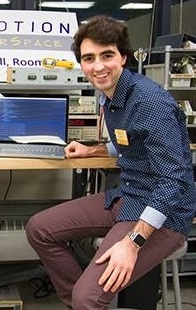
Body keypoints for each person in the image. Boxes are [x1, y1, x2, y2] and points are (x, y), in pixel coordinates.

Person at [26, 15, 196, 309]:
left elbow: (174, 181)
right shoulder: (112, 95)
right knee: (40, 229)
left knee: (87, 297)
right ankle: (81, 302)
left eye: (107, 55)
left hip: (165, 214)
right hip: (129, 195)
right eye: (89, 58)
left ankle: (86, 300)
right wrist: (92, 150)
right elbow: (131, 142)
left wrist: (132, 244)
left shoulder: (148, 102)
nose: (98, 66)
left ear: (123, 57)